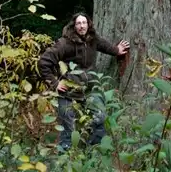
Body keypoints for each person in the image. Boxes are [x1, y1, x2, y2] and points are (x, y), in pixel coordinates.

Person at [38, 11, 129, 151]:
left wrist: (117, 50)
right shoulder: (64, 43)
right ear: (74, 26)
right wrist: (55, 83)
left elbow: (105, 46)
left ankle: (93, 153)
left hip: (89, 90)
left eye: (84, 23)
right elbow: (44, 62)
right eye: (78, 23)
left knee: (100, 118)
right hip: (68, 92)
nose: (82, 26)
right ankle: (64, 162)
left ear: (88, 24)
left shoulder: (93, 39)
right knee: (67, 130)